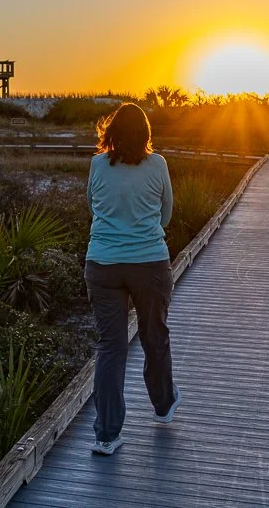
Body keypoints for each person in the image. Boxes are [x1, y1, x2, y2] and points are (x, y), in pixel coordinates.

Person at [85, 102, 178, 456]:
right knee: (155, 337)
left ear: (111, 132)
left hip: (103, 265)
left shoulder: (97, 164)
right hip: (149, 264)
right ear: (145, 134)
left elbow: (93, 208)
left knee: (111, 348)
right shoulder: (158, 165)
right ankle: (163, 406)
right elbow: (166, 214)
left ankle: (106, 435)